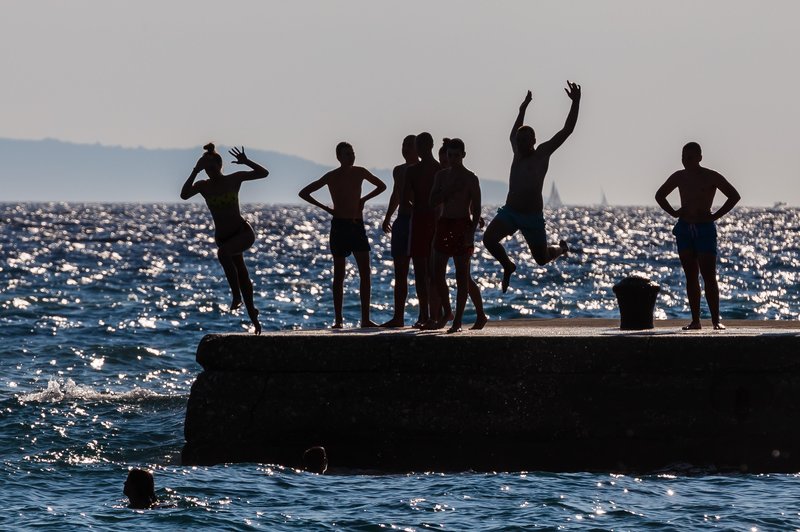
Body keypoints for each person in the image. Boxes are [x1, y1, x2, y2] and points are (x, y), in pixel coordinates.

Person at [483, 83, 581, 293]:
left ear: (534, 141)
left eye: (525, 140)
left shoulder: (542, 154)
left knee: (542, 259)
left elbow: (567, 131)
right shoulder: (516, 153)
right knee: (488, 239)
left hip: (532, 216)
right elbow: (514, 132)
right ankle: (508, 265)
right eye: (519, 141)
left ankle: (561, 248)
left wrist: (576, 102)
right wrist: (522, 109)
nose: (520, 144)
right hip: (510, 212)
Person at [180, 143, 269, 334]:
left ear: (220, 166)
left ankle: (236, 295)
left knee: (224, 254)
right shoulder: (203, 186)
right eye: (206, 168)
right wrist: (195, 170)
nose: (209, 171)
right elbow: (184, 195)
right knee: (242, 274)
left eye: (212, 167)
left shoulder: (234, 179)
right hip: (223, 237)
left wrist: (246, 161)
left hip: (243, 233)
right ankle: (253, 317)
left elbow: (264, 173)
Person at [299, 142, 387, 328]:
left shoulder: (360, 172)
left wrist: (363, 199)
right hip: (339, 225)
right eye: (346, 154)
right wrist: (327, 208)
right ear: (338, 157)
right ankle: (338, 320)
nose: (350, 156)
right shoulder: (332, 176)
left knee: (365, 272)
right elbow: (304, 192)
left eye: (352, 153)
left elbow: (382, 186)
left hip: (356, 225)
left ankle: (365, 319)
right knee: (339, 274)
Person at [655, 142, 741, 330]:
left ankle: (716, 320)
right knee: (691, 275)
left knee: (709, 275)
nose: (687, 161)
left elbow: (734, 196)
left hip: (704, 229)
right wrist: (674, 213)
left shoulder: (710, 176)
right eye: (684, 157)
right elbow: (660, 195)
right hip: (685, 228)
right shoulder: (679, 176)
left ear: (700, 158)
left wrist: (714, 216)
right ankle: (695, 320)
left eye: (691, 157)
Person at [429, 138, 483, 333]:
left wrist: (472, 230)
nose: (452, 159)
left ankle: (458, 320)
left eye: (456, 156)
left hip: (462, 225)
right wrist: (446, 192)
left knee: (462, 275)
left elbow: (476, 208)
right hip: (444, 224)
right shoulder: (441, 177)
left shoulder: (470, 178)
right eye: (450, 155)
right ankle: (447, 311)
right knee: (437, 273)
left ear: (463, 155)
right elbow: (431, 202)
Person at [380, 135, 418, 327]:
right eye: (403, 145)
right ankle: (398, 317)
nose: (405, 149)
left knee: (423, 272)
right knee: (400, 272)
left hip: (417, 221)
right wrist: (388, 217)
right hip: (401, 221)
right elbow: (396, 194)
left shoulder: (423, 169)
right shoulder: (398, 170)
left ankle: (428, 315)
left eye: (409, 146)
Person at [406, 132, 442, 328]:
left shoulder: (414, 171)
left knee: (423, 272)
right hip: (432, 220)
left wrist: (418, 206)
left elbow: (405, 198)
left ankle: (426, 315)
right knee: (431, 272)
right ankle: (432, 315)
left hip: (422, 219)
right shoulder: (439, 169)